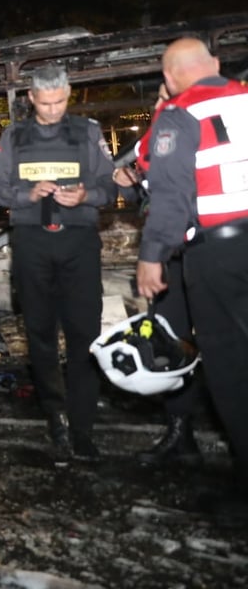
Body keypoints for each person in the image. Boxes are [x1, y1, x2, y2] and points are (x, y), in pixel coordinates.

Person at [0, 63, 118, 462]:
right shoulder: (16, 135)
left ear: (68, 94)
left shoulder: (87, 132)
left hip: (78, 244)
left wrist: (86, 197)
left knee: (85, 336)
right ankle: (55, 417)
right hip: (32, 244)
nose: (53, 110)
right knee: (40, 335)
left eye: (60, 102)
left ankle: (83, 429)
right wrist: (27, 195)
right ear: (31, 99)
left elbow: (110, 187)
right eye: (45, 104)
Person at [134, 38, 248, 491]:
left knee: (230, 366)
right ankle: (182, 434)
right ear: (215, 65)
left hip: (213, 255)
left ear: (169, 78)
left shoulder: (179, 115)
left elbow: (167, 192)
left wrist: (150, 256)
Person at [113, 83, 204, 466]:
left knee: (221, 342)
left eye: (170, 95)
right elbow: (152, 199)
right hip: (169, 258)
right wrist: (133, 185)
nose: (162, 104)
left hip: (210, 253)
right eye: (160, 98)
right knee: (172, 342)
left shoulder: (206, 131)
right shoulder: (152, 144)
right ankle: (181, 433)